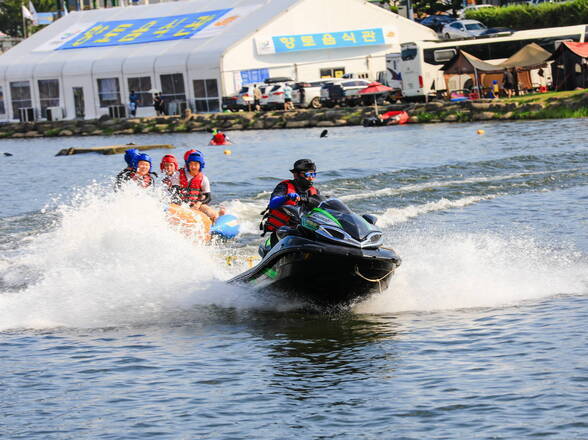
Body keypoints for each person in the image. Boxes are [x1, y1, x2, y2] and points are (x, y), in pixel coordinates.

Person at [260, 159, 320, 246]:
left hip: (305, 229)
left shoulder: (314, 191)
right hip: (283, 232)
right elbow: (272, 204)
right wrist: (286, 197)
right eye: (308, 174)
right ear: (296, 175)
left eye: (313, 174)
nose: (311, 178)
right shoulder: (284, 187)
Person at [176, 151, 224, 222]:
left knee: (211, 213)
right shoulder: (178, 175)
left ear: (200, 165)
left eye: (196, 164)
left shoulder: (204, 179)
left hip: (196, 204)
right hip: (181, 204)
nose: (193, 166)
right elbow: (174, 191)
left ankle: (218, 217)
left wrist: (198, 203)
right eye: (191, 164)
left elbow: (208, 197)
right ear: (187, 164)